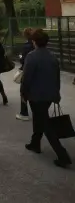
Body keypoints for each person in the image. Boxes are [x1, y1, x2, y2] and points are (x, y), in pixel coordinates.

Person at [21, 29, 72, 168]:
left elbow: (26, 78)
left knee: (45, 123)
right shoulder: (52, 56)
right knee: (40, 118)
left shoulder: (31, 56)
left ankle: (62, 155)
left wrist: (23, 94)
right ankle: (35, 143)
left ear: (34, 41)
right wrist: (56, 93)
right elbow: (57, 77)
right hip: (49, 95)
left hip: (36, 95)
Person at [16, 28, 34, 121]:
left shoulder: (26, 46)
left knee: (23, 91)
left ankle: (24, 112)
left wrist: (20, 57)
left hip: (26, 71)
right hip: (36, 72)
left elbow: (23, 60)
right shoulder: (35, 45)